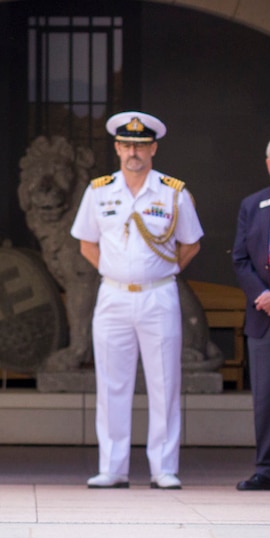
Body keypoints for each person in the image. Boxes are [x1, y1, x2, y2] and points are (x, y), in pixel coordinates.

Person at [71, 112, 203, 489]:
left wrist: (158, 272)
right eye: (127, 145)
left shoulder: (172, 192)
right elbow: (86, 243)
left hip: (158, 294)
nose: (134, 152)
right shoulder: (99, 191)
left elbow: (191, 244)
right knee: (111, 383)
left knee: (164, 382)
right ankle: (112, 467)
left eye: (141, 146)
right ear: (116, 147)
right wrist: (117, 271)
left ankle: (164, 467)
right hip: (112, 294)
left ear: (153, 149)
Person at [232, 134, 270, 491]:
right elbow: (240, 258)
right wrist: (263, 295)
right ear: (268, 164)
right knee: (266, 397)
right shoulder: (253, 204)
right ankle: (268, 469)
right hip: (264, 316)